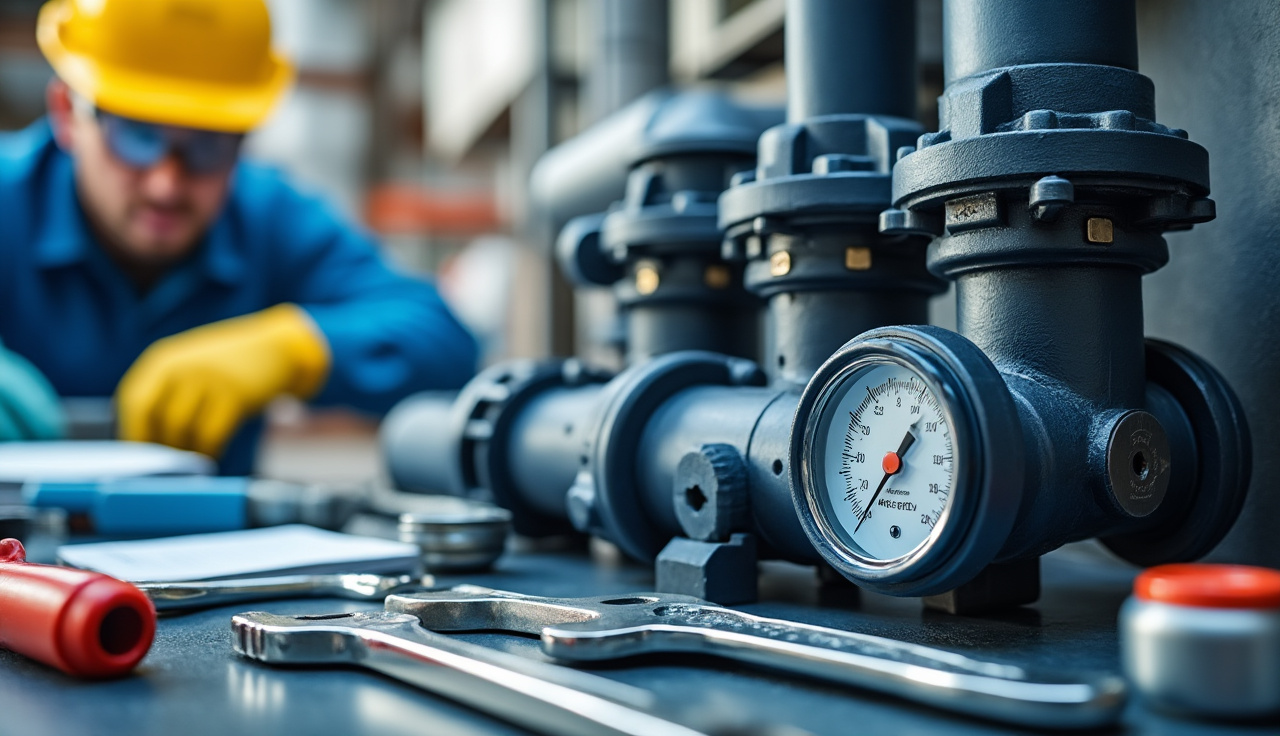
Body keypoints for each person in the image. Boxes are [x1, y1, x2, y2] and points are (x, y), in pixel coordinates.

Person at [0, 0, 478, 474]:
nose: (166, 184)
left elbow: (443, 338)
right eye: (137, 135)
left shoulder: (268, 217)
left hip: (206, 543)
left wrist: (295, 348)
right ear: (67, 112)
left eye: (208, 145)